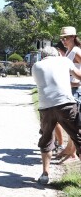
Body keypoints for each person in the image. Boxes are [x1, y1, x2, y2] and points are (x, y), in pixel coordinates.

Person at [32, 45, 81, 184]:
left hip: (45, 107)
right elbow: (78, 76)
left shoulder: (36, 66)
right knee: (78, 137)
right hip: (66, 104)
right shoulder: (64, 61)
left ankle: (45, 174)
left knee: (46, 139)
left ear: (42, 56)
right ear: (57, 54)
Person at [55, 27, 81, 161]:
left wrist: (77, 81)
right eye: (62, 38)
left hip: (75, 90)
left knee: (73, 122)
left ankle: (72, 152)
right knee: (71, 122)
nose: (63, 40)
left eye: (65, 38)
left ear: (72, 37)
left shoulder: (76, 51)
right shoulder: (70, 52)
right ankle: (70, 150)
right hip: (69, 89)